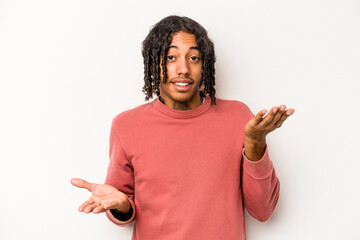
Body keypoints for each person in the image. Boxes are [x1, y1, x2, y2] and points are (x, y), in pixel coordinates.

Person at [71, 15, 294, 240]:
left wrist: (255, 143)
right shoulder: (126, 126)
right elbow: (121, 203)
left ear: (204, 63)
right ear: (153, 64)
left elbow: (263, 211)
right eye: (171, 57)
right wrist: (121, 205)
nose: (183, 69)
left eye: (194, 58)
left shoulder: (237, 117)